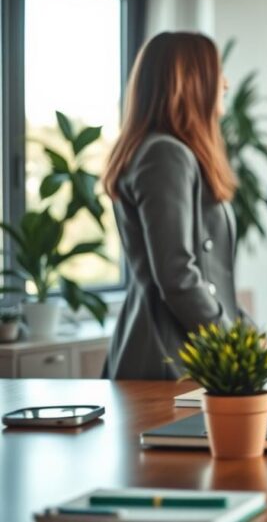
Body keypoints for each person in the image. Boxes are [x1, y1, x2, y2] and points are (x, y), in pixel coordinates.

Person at [103, 32, 245, 380]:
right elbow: (178, 276)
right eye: (217, 71)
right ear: (192, 81)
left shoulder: (170, 152)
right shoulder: (165, 154)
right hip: (169, 357)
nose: (225, 83)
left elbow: (212, 281)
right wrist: (238, 349)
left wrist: (257, 342)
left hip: (183, 351)